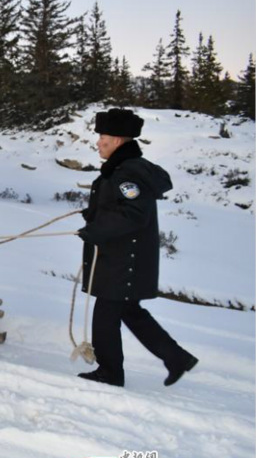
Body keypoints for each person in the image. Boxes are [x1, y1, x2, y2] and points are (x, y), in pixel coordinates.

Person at [77, 108, 198, 388]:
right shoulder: (125, 168)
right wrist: (95, 214)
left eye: (103, 138)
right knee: (130, 311)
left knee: (106, 315)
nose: (98, 143)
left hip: (123, 260)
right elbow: (122, 207)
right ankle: (176, 357)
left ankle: (110, 372)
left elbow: (134, 215)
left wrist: (96, 229)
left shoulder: (127, 171)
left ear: (118, 140)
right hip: (123, 257)